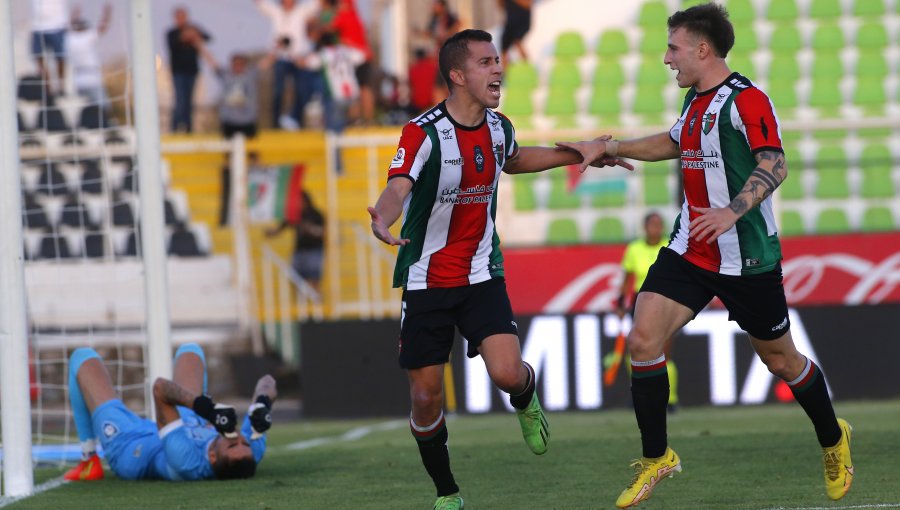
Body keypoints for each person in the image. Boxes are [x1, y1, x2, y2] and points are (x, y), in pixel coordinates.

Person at [557, 4, 853, 508]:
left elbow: (775, 164)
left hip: (748, 257)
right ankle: (657, 458)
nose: (666, 58)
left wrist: (733, 212)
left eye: (673, 48)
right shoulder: (694, 106)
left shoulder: (748, 100)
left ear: (702, 48)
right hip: (691, 249)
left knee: (781, 361)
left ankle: (833, 437)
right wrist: (609, 148)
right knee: (643, 338)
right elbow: (670, 143)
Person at [367, 29, 631, 510]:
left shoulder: (498, 126)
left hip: (481, 274)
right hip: (427, 281)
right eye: (486, 62)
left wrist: (581, 152)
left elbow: (516, 159)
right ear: (457, 74)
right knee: (426, 399)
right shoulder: (422, 133)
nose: (498, 69)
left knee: (508, 374)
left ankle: (525, 396)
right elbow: (398, 186)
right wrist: (382, 218)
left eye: (497, 61)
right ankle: (447, 492)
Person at [63, 343, 276, 482]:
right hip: (184, 425)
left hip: (134, 446)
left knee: (82, 357)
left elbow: (160, 389)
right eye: (244, 442)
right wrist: (263, 404)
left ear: (211, 457)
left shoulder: (185, 461)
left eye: (232, 444)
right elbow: (268, 382)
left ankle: (89, 459)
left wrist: (209, 411)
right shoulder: (250, 452)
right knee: (191, 352)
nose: (240, 438)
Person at [615, 211, 680, 412]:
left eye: (659, 224)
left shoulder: (671, 245)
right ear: (645, 227)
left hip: (665, 301)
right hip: (640, 303)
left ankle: (670, 399)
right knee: (635, 349)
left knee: (664, 352)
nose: (656, 228)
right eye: (652, 224)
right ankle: (639, 393)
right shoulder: (634, 249)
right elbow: (627, 280)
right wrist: (619, 303)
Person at [254, 0, 321, 129]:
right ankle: (275, 125)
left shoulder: (302, 11)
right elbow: (260, 4)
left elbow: (317, 4)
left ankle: (297, 122)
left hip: (300, 58)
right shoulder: (276, 11)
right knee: (278, 92)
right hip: (280, 57)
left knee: (302, 91)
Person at [197, 43, 277, 139]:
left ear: (245, 65)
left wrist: (278, 48)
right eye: (235, 64)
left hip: (247, 120)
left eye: (240, 64)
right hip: (229, 120)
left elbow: (267, 62)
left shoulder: (250, 74)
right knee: (228, 149)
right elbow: (211, 61)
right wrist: (199, 45)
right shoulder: (226, 75)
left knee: (251, 150)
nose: (238, 66)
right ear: (231, 64)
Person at [266, 190, 325, 294]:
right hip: (299, 251)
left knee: (314, 280)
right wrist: (272, 232)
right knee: (296, 279)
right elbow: (283, 226)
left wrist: (310, 230)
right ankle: (302, 304)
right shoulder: (295, 215)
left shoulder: (316, 214)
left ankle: (317, 303)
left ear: (306, 201)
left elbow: (323, 232)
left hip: (314, 251)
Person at [166, 7, 211, 133]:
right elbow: (173, 44)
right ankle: (174, 128)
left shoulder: (194, 29)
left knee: (190, 101)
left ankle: (188, 129)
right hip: (178, 72)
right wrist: (185, 37)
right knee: (180, 100)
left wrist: (195, 34)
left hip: (192, 71)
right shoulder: (172, 33)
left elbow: (208, 37)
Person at [67, 3, 112, 107]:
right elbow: (102, 28)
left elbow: (67, 26)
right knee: (103, 110)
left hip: (77, 81)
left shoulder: (69, 39)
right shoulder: (87, 37)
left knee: (85, 110)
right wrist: (107, 13)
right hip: (93, 79)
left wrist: (74, 14)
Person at [31, 0, 70, 97]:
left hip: (57, 25)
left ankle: (61, 88)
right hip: (37, 27)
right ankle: (47, 89)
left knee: (60, 58)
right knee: (38, 58)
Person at [407, 47, 438, 115]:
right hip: (430, 100)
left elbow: (411, 86)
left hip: (416, 101)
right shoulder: (433, 67)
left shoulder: (412, 69)